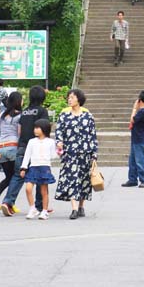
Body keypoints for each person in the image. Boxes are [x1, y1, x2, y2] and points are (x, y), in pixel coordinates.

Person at [0, 86, 49, 216]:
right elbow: (44, 129)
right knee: (40, 176)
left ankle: (7, 201)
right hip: (36, 147)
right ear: (42, 97)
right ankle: (39, 206)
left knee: (17, 176)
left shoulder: (25, 111)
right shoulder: (42, 111)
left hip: (22, 146)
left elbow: (20, 131)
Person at [54, 89, 98, 220]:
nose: (69, 99)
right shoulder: (64, 116)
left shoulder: (88, 116)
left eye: (72, 97)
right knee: (72, 180)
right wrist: (59, 142)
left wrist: (94, 154)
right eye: (68, 97)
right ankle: (74, 209)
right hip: (70, 153)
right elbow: (58, 132)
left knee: (83, 181)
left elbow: (93, 136)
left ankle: (81, 206)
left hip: (85, 153)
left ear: (79, 99)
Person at [0, 92, 22, 210]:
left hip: (0, 147)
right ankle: (9, 203)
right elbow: (19, 134)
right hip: (12, 147)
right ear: (18, 101)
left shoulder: (2, 115)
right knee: (16, 177)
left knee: (9, 177)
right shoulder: (19, 116)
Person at [20, 119, 57, 220]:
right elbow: (27, 155)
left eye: (37, 128)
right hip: (33, 167)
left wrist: (59, 150)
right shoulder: (31, 141)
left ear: (44, 129)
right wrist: (23, 168)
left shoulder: (50, 142)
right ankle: (33, 208)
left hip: (44, 167)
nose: (35, 130)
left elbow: (54, 156)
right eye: (34, 128)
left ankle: (44, 211)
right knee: (28, 188)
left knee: (44, 191)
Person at [121, 91, 144, 188]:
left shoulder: (142, 112)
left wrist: (134, 108)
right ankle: (132, 179)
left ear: (140, 100)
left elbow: (132, 120)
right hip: (136, 138)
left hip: (139, 139)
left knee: (140, 160)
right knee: (132, 160)